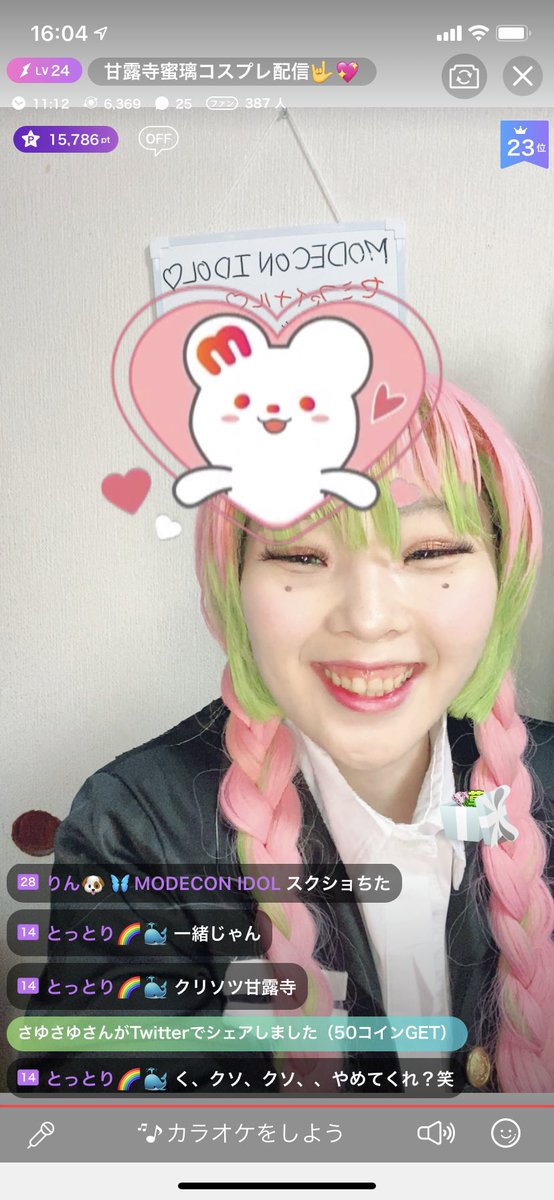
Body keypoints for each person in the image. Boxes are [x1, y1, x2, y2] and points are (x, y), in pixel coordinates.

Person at [49, 376, 554, 1095]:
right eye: (301, 556)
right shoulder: (141, 827)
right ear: (235, 580)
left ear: (502, 574)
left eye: (430, 552)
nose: (369, 620)